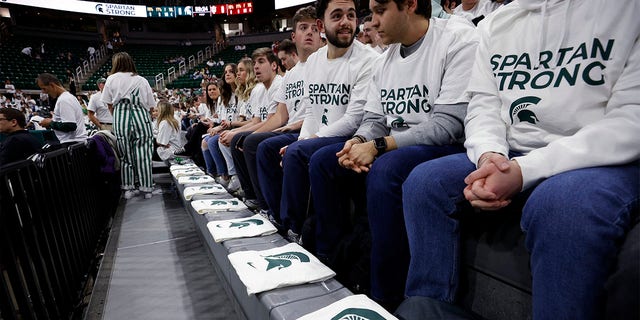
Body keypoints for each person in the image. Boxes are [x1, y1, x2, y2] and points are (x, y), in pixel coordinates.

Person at [402, 0, 640, 318]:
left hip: (601, 158)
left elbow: (630, 120)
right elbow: (484, 105)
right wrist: (489, 155)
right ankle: (429, 309)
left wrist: (524, 171)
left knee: (562, 206)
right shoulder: (496, 24)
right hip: (513, 152)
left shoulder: (626, 10)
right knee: (424, 182)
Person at [309, 0, 477, 309]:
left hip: (447, 147)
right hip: (397, 146)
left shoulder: (456, 39)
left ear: (410, 4)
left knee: (387, 168)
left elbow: (448, 125)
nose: (370, 22)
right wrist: (357, 141)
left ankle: (385, 298)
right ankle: (329, 263)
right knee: (325, 161)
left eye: (379, 10)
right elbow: (374, 120)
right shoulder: (385, 59)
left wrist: (377, 147)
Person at [277, 0, 379, 239]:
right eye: (337, 16)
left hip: (351, 136)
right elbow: (312, 112)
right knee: (283, 151)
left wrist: (307, 142)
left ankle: (308, 237)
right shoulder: (314, 61)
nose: (346, 22)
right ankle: (292, 229)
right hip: (321, 135)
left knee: (299, 154)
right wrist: (301, 140)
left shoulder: (368, 59)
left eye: (351, 15)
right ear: (322, 24)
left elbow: (355, 119)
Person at [243, 5, 323, 217]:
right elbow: (280, 115)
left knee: (263, 146)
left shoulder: (324, 63)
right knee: (251, 142)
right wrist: (254, 133)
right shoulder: (290, 75)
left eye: (314, 28)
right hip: (291, 128)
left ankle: (283, 216)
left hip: (310, 130)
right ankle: (269, 208)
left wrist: (294, 128)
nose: (309, 32)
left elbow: (317, 113)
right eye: (304, 28)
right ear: (293, 35)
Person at [228, 48, 283, 206]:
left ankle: (265, 202)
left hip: (284, 128)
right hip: (275, 127)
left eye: (261, 62)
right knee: (239, 139)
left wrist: (242, 132)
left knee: (247, 141)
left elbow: (275, 120)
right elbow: (260, 120)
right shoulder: (263, 88)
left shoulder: (276, 84)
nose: (256, 67)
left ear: (274, 65)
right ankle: (252, 194)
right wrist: (235, 131)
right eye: (254, 63)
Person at [101, 52, 156, 200]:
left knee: (125, 155)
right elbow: (151, 105)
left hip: (121, 116)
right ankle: (147, 189)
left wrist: (118, 116)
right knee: (143, 154)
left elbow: (109, 104)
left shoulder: (111, 79)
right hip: (141, 116)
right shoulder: (142, 80)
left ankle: (128, 189)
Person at [37, 73, 88, 143]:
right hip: (77, 141)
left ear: (52, 85)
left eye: (44, 88)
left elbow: (71, 126)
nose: (43, 92)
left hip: (73, 143)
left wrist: (50, 123)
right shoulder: (69, 97)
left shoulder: (64, 100)